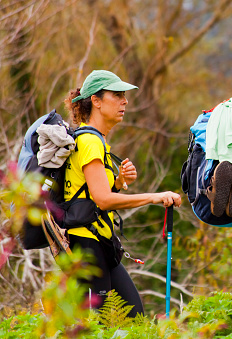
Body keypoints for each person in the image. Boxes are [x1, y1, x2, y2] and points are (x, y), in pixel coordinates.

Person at [63, 70, 181, 317]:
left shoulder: (98, 141)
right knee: (99, 326)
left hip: (102, 242)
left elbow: (92, 195)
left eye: (124, 96)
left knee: (134, 316)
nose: (124, 101)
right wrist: (155, 197)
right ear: (96, 100)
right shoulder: (90, 142)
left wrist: (118, 182)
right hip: (85, 245)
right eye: (117, 95)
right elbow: (103, 201)